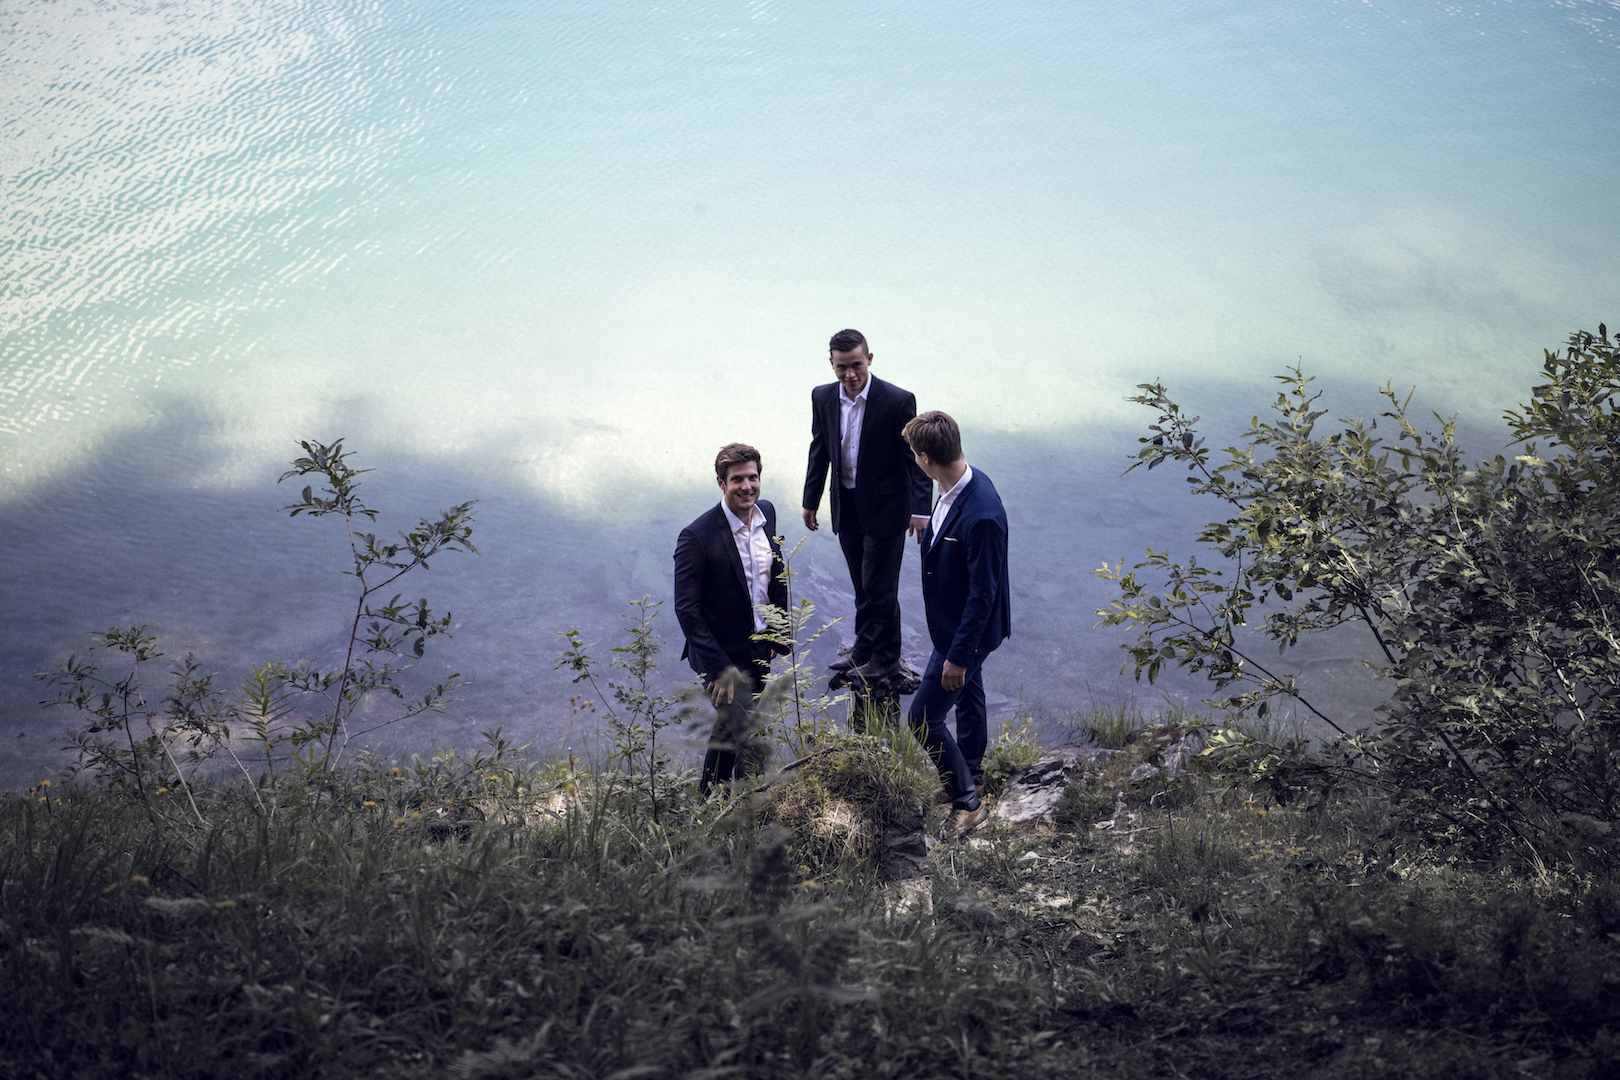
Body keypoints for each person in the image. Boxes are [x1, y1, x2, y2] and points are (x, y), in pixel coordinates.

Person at [801, 328, 933, 682]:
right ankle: (863, 648)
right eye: (841, 367)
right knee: (861, 583)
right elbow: (819, 449)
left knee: (880, 587)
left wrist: (921, 510)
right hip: (846, 503)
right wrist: (810, 500)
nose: (849, 374)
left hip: (888, 507)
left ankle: (886, 659)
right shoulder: (822, 396)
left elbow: (915, 458)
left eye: (856, 365)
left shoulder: (897, 400)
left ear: (869, 359)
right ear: (831, 364)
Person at [903, 410, 1010, 835]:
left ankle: (969, 803)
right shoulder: (955, 484)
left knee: (922, 719)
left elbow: (983, 595)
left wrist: (959, 656)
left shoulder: (981, 514)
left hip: (966, 634)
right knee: (969, 698)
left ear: (925, 458)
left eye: (914, 454)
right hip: (954, 625)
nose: (914, 460)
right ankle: (970, 775)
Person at [674, 443, 789, 794]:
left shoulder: (767, 513)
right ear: (721, 483)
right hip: (720, 654)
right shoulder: (697, 536)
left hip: (758, 648)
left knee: (729, 733)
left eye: (752, 477)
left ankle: (709, 803)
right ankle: (751, 809)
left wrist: (776, 634)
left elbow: (772, 578)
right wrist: (719, 668)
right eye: (737, 479)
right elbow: (686, 609)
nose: (747, 486)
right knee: (750, 738)